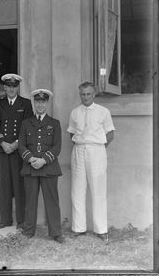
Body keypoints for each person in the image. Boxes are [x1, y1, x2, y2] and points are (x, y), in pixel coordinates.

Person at [67, 81, 115, 243]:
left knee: (98, 190)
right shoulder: (75, 112)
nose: (85, 97)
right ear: (79, 94)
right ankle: (78, 227)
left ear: (94, 94)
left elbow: (110, 134)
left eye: (88, 94)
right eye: (83, 94)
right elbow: (71, 134)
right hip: (79, 150)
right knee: (77, 189)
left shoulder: (103, 112)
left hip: (97, 151)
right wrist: (82, 146)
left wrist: (98, 148)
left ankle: (101, 229)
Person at [18, 89, 64, 243]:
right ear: (34, 103)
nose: (40, 105)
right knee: (30, 201)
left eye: (43, 102)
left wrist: (43, 160)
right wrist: (31, 159)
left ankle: (56, 232)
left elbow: (57, 147)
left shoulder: (54, 123)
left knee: (52, 201)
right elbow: (22, 145)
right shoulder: (26, 123)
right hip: (30, 167)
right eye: (37, 102)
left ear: (47, 103)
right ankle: (29, 230)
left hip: (49, 167)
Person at [0, 74, 33, 229]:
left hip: (18, 150)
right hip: (3, 149)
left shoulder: (26, 104)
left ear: (18, 87)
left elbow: (27, 127)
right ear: (5, 87)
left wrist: (16, 144)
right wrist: (3, 143)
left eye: (14, 86)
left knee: (19, 185)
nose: (11, 89)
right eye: (8, 86)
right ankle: (5, 219)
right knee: (5, 184)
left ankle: (21, 221)